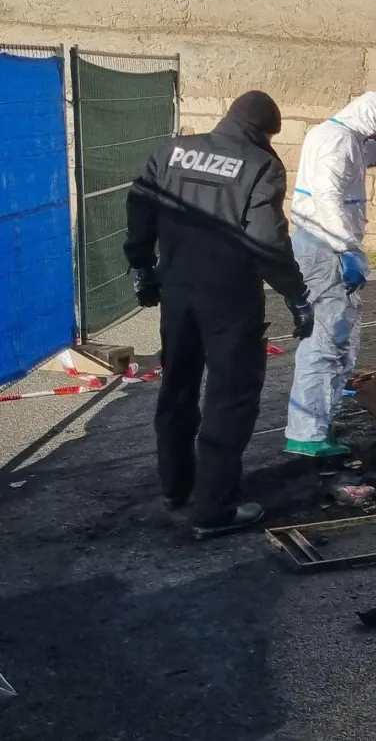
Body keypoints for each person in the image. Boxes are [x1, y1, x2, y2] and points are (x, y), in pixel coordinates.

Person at [125, 90, 315, 539]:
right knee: (229, 399)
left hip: (177, 292)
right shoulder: (261, 165)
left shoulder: (171, 151)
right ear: (266, 132)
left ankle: (176, 487)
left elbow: (140, 206)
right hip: (230, 300)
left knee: (177, 387)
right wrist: (297, 296)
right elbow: (267, 242)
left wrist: (141, 268)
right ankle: (213, 509)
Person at [284, 90, 376, 458]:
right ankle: (307, 433)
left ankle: (320, 423)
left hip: (327, 247)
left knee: (338, 339)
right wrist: (346, 250)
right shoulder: (335, 140)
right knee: (324, 341)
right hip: (325, 250)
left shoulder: (343, 136)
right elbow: (327, 196)